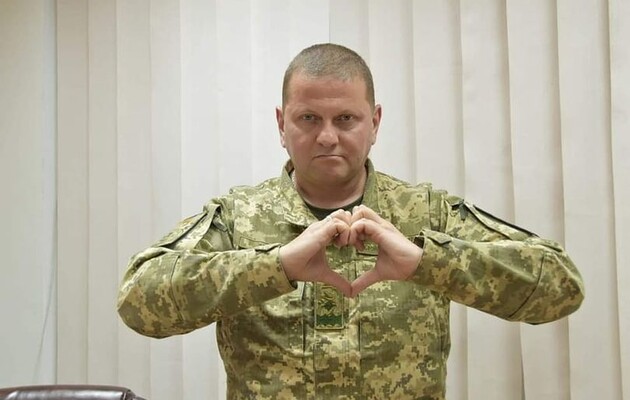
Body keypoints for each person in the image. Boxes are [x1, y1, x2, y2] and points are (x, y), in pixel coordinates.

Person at [117, 43, 584, 399]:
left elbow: (560, 286)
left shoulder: (425, 213)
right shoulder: (239, 218)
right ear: (281, 124)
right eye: (308, 118)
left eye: (345, 118)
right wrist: (275, 266)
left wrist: (428, 263)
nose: (327, 137)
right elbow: (138, 300)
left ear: (374, 123)